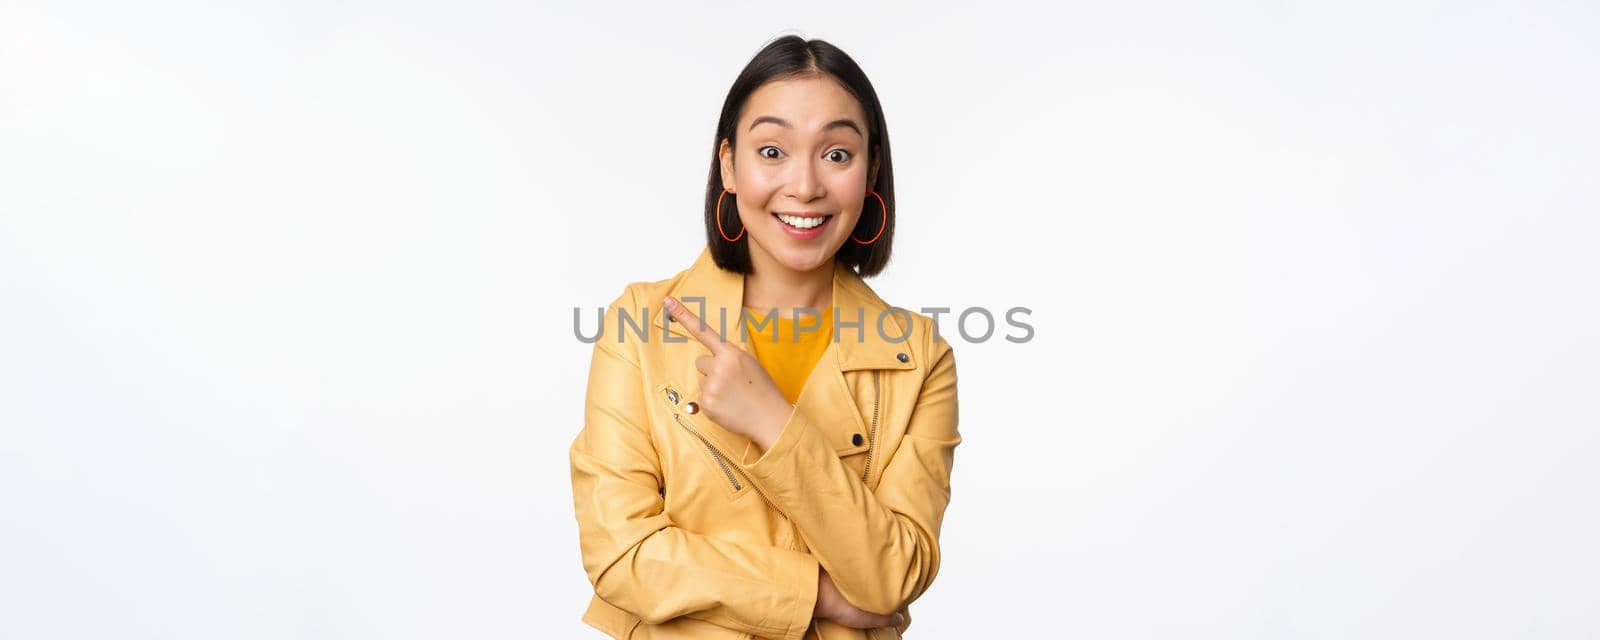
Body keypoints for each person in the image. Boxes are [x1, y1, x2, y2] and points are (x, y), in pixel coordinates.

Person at [569, 35, 960, 640]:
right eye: (772, 150)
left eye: (836, 154)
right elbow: (621, 556)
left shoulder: (918, 357)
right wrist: (819, 595)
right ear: (729, 164)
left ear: (871, 169)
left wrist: (773, 421)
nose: (804, 186)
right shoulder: (639, 326)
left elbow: (893, 576)